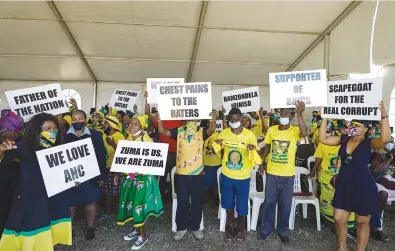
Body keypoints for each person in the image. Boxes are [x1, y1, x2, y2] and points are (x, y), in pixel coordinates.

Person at [318, 101, 390, 251]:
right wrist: (324, 117)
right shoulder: (343, 139)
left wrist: (384, 115)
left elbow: (385, 139)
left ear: (365, 129)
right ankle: (342, 247)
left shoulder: (369, 143)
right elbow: (322, 139)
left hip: (363, 185)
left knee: (362, 221)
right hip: (345, 183)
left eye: (357, 125)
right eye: (352, 124)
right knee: (338, 218)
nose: (353, 127)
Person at [0, 113, 72, 250]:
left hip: (53, 196)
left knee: (51, 227)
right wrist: (4, 152)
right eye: (47, 128)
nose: (52, 131)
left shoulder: (60, 147)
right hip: (31, 197)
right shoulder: (22, 147)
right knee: (33, 229)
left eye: (55, 128)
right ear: (37, 130)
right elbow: (4, 166)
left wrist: (73, 180)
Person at [158, 113, 216, 241]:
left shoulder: (201, 131)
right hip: (182, 174)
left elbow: (211, 130)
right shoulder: (178, 131)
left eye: (194, 119)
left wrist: (212, 119)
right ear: (184, 120)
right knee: (182, 203)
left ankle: (196, 227)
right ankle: (181, 228)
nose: (192, 121)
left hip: (198, 174)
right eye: (189, 119)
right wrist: (160, 119)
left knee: (197, 202)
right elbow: (162, 131)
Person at [259, 102, 307, 244]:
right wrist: (262, 162)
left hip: (288, 174)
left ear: (291, 116)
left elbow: (304, 133)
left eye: (286, 113)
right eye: (282, 112)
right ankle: (265, 230)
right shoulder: (272, 130)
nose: (283, 115)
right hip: (272, 172)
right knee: (268, 202)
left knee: (285, 204)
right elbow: (267, 147)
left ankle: (283, 230)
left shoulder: (294, 131)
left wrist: (300, 114)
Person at [212, 108, 262, 242]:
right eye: (231, 120)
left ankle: (240, 228)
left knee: (242, 204)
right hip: (227, 174)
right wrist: (216, 144)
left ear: (241, 118)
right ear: (228, 120)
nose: (234, 122)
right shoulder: (224, 133)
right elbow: (215, 150)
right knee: (227, 202)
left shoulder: (249, 135)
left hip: (243, 176)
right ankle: (229, 227)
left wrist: (252, 148)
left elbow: (257, 152)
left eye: (236, 119)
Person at [116, 115, 163, 250]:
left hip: (142, 179)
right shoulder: (127, 138)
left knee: (138, 206)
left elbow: (153, 162)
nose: (132, 126)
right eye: (130, 123)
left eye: (136, 123)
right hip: (130, 178)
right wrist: (120, 172)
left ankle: (143, 236)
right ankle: (136, 231)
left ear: (142, 126)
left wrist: (141, 170)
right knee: (131, 204)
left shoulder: (147, 140)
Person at [65, 110, 107, 240]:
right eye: (75, 119)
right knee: (70, 204)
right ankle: (67, 228)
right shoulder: (63, 137)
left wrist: (102, 176)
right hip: (70, 175)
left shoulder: (95, 135)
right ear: (71, 120)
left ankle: (90, 227)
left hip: (91, 175)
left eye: (80, 118)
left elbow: (101, 156)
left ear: (85, 119)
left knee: (90, 202)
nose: (77, 121)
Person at [310, 120, 356, 239]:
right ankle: (332, 222)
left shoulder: (353, 142)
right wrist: (313, 170)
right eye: (342, 128)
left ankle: (346, 226)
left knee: (346, 200)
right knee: (329, 199)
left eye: (347, 128)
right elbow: (318, 159)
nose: (345, 130)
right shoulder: (327, 142)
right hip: (327, 176)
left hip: (345, 177)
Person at [144, 92, 183, 198]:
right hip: (163, 152)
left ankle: (176, 197)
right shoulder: (161, 119)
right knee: (161, 177)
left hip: (177, 152)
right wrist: (147, 99)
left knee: (176, 176)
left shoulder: (181, 119)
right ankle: (159, 198)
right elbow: (147, 114)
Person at [0, 110, 24, 239]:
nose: (2, 133)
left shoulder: (23, 143)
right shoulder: (2, 144)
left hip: (18, 185)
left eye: (4, 130)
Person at [369, 143, 394, 242]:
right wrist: (389, 159)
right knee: (381, 195)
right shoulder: (381, 155)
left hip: (391, 186)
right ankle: (377, 227)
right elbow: (376, 169)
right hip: (381, 185)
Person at [101, 116, 125, 216]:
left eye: (106, 123)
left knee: (115, 189)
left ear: (111, 126)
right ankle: (108, 209)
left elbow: (123, 152)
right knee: (107, 189)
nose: (103, 125)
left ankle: (117, 209)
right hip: (105, 165)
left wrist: (113, 144)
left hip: (116, 167)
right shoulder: (103, 135)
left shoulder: (119, 136)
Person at [200, 117, 221, 205]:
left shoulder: (219, 135)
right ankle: (204, 199)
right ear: (207, 124)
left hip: (217, 163)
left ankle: (216, 199)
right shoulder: (203, 135)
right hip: (206, 163)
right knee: (204, 183)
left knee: (216, 183)